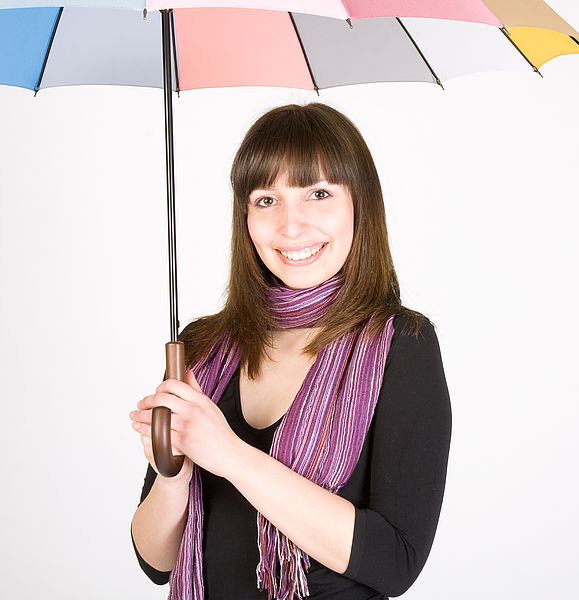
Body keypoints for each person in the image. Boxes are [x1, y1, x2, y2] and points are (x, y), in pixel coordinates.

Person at [128, 103, 452, 600]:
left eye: (318, 194)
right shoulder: (202, 348)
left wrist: (229, 455)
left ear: (359, 205)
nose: (290, 226)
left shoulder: (400, 344)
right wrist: (173, 476)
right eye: (266, 200)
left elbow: (395, 562)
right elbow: (156, 563)